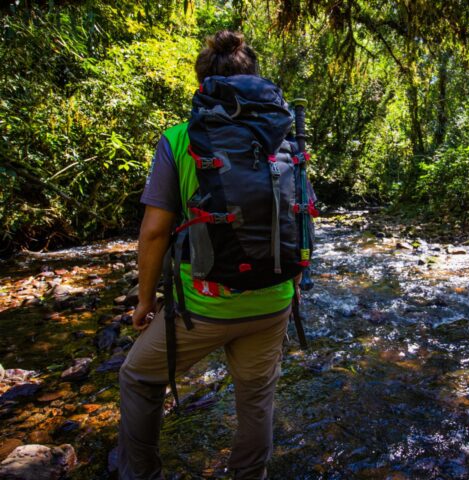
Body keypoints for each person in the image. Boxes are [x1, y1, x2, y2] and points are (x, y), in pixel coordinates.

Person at [118, 30, 297, 480]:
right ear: (254, 81)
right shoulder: (284, 139)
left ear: (202, 86)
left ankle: (140, 474)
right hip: (274, 299)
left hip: (204, 305)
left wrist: (144, 302)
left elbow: (156, 232)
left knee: (139, 378)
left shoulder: (180, 139)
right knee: (256, 398)